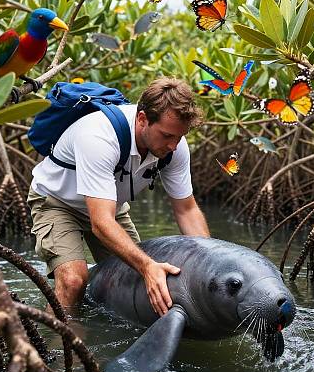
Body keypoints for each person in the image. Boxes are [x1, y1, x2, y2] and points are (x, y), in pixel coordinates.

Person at [28, 77, 210, 315]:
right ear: (142, 119)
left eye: (179, 137)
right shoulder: (99, 136)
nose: (174, 146)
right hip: (57, 203)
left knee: (134, 284)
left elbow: (186, 209)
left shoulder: (174, 145)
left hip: (110, 206)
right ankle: (56, 346)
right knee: (74, 281)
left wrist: (209, 262)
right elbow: (101, 223)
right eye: (167, 136)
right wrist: (146, 266)